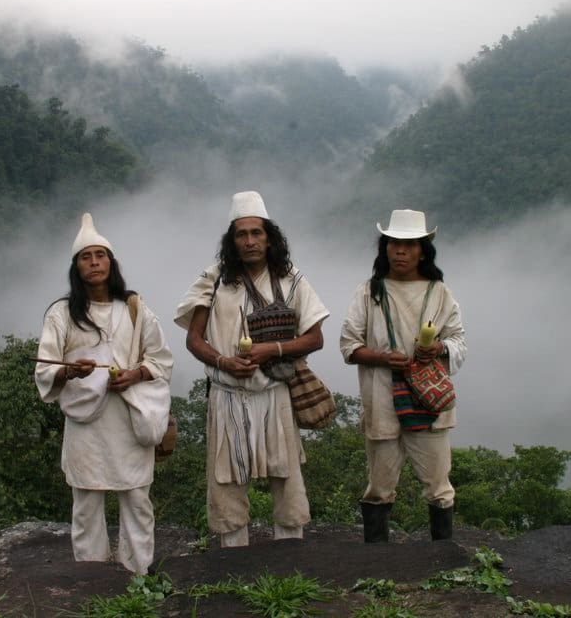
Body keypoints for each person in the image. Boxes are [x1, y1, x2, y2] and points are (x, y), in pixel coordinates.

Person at [175, 191, 329, 547]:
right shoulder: (213, 280)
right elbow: (194, 340)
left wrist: (271, 349)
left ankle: (290, 551)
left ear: (270, 238)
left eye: (256, 233)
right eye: (241, 235)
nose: (249, 241)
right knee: (227, 479)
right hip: (228, 394)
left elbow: (315, 338)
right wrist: (224, 361)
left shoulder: (292, 280)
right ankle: (234, 557)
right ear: (232, 241)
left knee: (287, 476)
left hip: (276, 392)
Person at [34, 213, 172, 574]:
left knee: (137, 498)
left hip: (129, 417)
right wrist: (69, 370)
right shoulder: (62, 314)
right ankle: (92, 577)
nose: (94, 263)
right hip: (85, 423)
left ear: (111, 263)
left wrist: (135, 374)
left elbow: (160, 359)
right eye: (86, 257)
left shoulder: (135, 308)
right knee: (87, 502)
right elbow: (45, 369)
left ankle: (137, 573)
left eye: (100, 255)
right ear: (76, 267)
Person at [339, 209, 467, 542]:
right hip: (382, 397)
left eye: (409, 245)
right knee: (379, 485)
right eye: (394, 243)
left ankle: (442, 557)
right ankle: (378, 560)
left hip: (428, 401)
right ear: (385, 247)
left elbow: (458, 341)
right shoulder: (370, 291)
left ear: (423, 250)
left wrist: (438, 348)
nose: (400, 251)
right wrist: (382, 357)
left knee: (439, 486)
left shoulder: (440, 293)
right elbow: (349, 345)